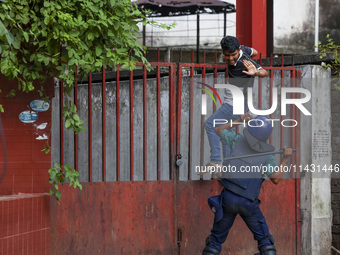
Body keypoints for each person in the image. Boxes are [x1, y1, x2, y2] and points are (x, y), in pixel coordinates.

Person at [202, 114, 293, 255]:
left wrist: (238, 121)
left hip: (228, 199)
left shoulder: (237, 140)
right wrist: (285, 159)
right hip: (248, 203)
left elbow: (218, 130)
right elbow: (275, 179)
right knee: (266, 243)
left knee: (214, 241)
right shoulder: (268, 155)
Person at [204, 36, 268, 170]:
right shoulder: (243, 50)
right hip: (236, 102)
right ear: (223, 52)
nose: (231, 58)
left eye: (234, 55)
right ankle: (227, 167)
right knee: (226, 132)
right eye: (227, 55)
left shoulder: (244, 61)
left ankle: (216, 160)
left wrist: (255, 72)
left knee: (210, 124)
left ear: (238, 50)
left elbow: (264, 72)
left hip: (235, 103)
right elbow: (255, 51)